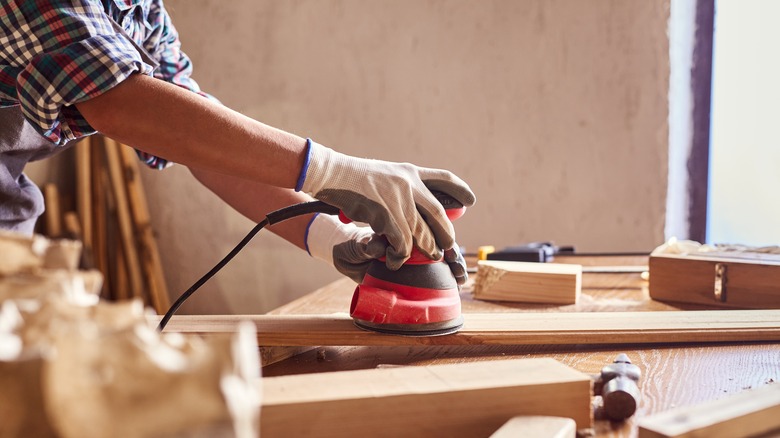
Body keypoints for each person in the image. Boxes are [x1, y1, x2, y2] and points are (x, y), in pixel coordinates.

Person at [0, 0, 475, 284]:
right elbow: (117, 101)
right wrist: (338, 172)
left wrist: (334, 235)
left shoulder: (139, 10)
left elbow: (194, 141)